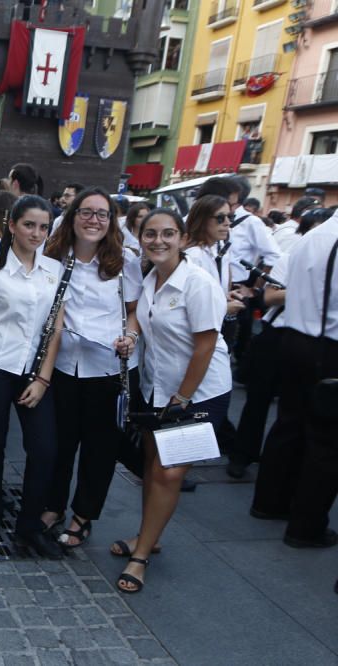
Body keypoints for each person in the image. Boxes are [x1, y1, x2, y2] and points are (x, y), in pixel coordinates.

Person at [111, 208, 232, 593]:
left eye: (167, 234)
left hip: (199, 391)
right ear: (140, 237)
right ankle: (149, 536)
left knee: (168, 472)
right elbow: (140, 320)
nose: (158, 241)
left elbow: (206, 345)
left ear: (181, 237)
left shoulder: (197, 282)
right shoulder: (150, 279)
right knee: (150, 466)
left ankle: (141, 555)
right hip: (157, 387)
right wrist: (130, 336)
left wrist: (183, 396)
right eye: (150, 234)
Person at [0, 195, 65, 557]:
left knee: (44, 448)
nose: (36, 233)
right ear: (11, 225)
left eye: (43, 226)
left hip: (34, 372)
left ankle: (30, 525)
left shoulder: (55, 270)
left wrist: (43, 379)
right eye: (29, 225)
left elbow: (55, 329)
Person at [40, 188, 142, 548]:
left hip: (106, 369)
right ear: (72, 216)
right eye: (86, 212)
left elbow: (133, 312)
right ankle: (52, 504)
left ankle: (83, 516)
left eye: (102, 214)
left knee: (99, 449)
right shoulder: (52, 255)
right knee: (59, 444)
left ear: (111, 221)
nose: (93, 220)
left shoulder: (124, 261)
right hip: (62, 366)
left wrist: (129, 337)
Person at [250, 209, 338, 549]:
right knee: (326, 443)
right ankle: (305, 526)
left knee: (289, 424)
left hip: (295, 339)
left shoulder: (310, 238)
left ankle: (268, 503)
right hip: (327, 346)